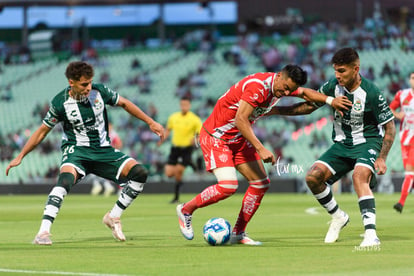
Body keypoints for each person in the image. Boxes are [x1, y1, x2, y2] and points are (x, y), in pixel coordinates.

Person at [176, 64, 352, 245]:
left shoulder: (280, 86)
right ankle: (186, 210)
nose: (285, 93)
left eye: (289, 90)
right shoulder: (258, 86)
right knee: (228, 186)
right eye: (285, 88)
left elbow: (305, 93)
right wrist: (261, 148)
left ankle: (238, 233)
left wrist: (330, 101)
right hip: (217, 136)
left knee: (260, 184)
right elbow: (240, 119)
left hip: (237, 139)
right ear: (279, 76)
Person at [5, 61, 165, 245]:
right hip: (77, 152)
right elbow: (42, 131)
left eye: (90, 82)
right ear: (71, 82)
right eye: (84, 84)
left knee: (140, 173)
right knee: (64, 181)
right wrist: (21, 155)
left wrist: (150, 122)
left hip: (103, 150)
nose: (89, 87)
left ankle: (113, 216)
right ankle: (43, 232)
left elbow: (125, 103)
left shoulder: (99, 91)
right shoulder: (60, 103)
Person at [280, 48, 395, 247]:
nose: (337, 75)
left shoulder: (372, 92)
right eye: (335, 70)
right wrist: (276, 111)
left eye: (341, 71)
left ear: (355, 69)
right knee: (312, 177)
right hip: (342, 145)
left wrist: (382, 157)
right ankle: (338, 216)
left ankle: (371, 235)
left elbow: (390, 128)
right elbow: (310, 106)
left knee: (358, 176)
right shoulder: (333, 86)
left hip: (367, 142)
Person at [158, 96, 202, 203]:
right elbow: (168, 130)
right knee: (169, 173)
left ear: (189, 105)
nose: (184, 107)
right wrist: (162, 140)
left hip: (186, 149)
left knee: (178, 172)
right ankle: (190, 163)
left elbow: (200, 134)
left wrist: (195, 139)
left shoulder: (195, 119)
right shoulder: (174, 117)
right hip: (175, 149)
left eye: (186, 105)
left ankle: (176, 198)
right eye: (182, 105)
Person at [390, 71, 414, 213]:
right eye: (412, 77)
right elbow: (390, 108)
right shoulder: (402, 94)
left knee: (410, 171)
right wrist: (398, 114)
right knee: (410, 173)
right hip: (404, 137)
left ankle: (401, 202)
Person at [90, 123, 122, 196]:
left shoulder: (113, 134)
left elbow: (119, 144)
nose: (108, 128)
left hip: (111, 157)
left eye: (109, 126)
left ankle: (118, 188)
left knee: (115, 173)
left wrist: (113, 151)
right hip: (105, 156)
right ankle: (106, 186)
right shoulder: (103, 134)